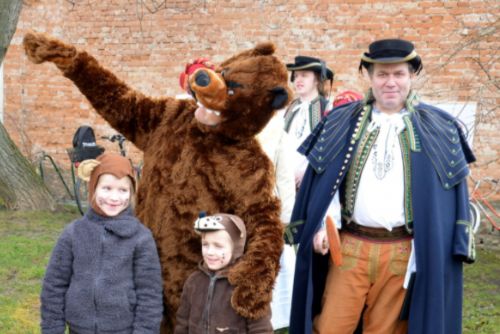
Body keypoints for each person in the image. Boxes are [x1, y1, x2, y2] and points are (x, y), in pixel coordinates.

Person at [288, 39, 476, 334]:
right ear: (369, 77)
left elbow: (453, 195)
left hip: (402, 253)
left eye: (398, 74)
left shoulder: (440, 127)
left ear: (411, 76)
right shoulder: (341, 121)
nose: (391, 82)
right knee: (330, 328)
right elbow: (326, 184)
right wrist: (324, 226)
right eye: (382, 74)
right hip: (349, 250)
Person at [40, 153, 163, 334]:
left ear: (132, 193)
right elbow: (54, 285)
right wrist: (52, 329)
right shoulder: (73, 233)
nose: (114, 198)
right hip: (78, 329)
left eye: (123, 190)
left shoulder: (141, 238)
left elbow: (150, 294)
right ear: (93, 188)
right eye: (107, 188)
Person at [174, 213, 273, 333]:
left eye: (218, 246)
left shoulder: (248, 284)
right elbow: (182, 323)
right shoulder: (193, 282)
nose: (210, 252)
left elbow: (260, 329)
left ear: (236, 248)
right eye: (205, 245)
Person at [257, 112, 296, 331]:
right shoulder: (225, 118)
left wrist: (286, 221)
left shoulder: (275, 125)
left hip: (266, 212)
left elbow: (284, 176)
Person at [284, 55, 334, 189]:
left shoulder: (327, 109)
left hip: (311, 181)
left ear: (317, 79)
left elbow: (329, 148)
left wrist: (307, 172)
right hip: (285, 181)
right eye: (296, 76)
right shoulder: (290, 108)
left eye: (304, 75)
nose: (298, 80)